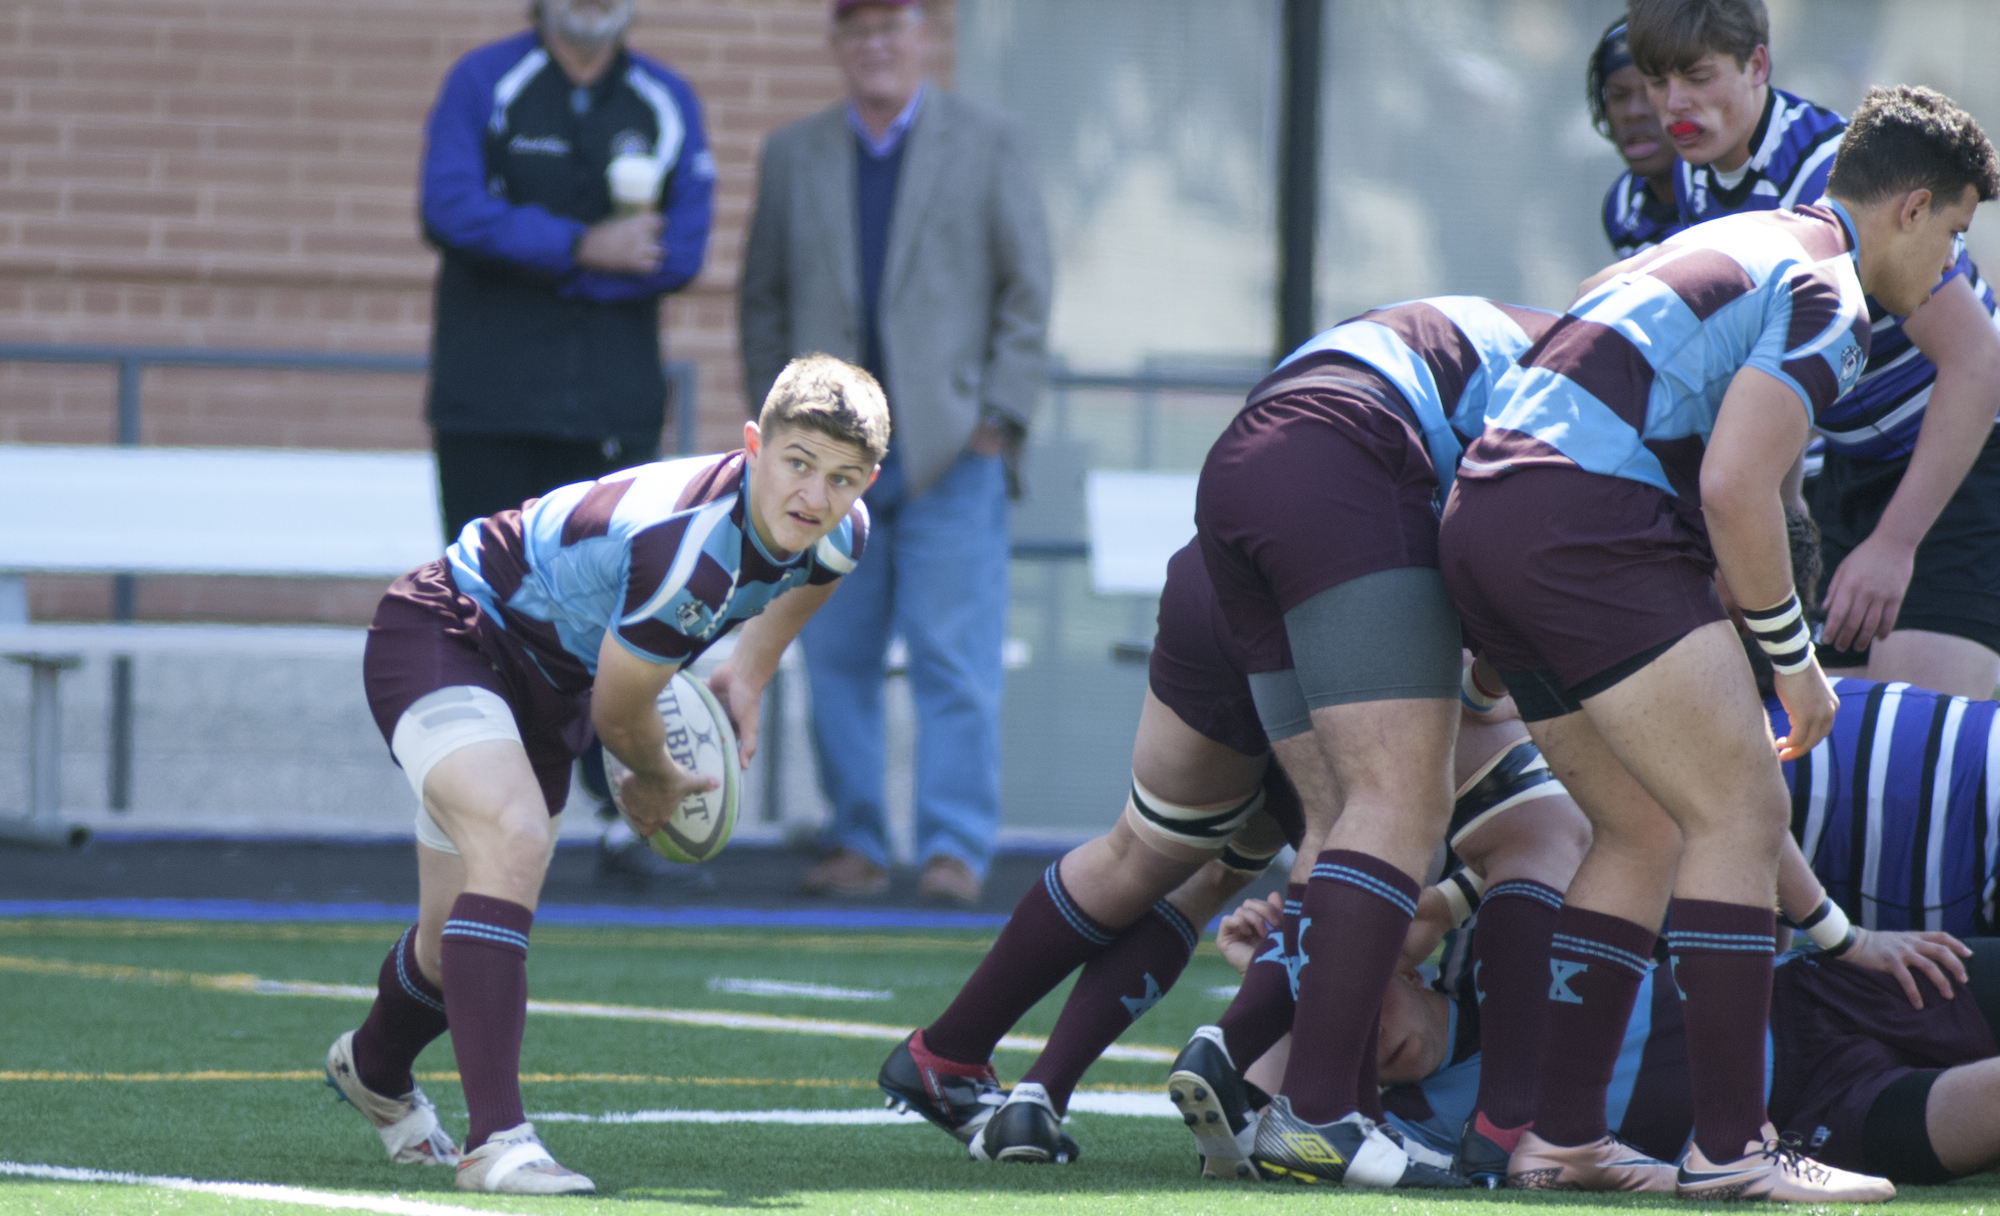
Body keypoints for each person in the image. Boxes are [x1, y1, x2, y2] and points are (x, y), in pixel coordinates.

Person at [1438, 83, 1997, 1200]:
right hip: (1582, 523)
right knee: (1741, 807)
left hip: (1487, 505)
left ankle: (1560, 1137)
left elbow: (1578, 324)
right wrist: (1794, 670)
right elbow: (1738, 485)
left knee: (1640, 826)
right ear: (1912, 207)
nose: (1948, 267)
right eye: (1952, 236)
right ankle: (1733, 1148)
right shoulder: (1831, 294)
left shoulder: (1726, 235)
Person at [321, 356, 885, 1194]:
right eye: (798, 464)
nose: (815, 496)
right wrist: (653, 784)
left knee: (449, 948)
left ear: (866, 479)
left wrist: (750, 668)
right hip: (451, 632)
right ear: (754, 445)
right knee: (513, 839)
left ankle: (372, 1068)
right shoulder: (685, 551)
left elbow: (820, 570)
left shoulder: (842, 524)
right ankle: (497, 1145)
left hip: (552, 683)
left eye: (842, 478)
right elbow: (622, 720)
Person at [738, 0, 1052, 906]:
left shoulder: (988, 140)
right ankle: (859, 843)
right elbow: (761, 299)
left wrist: (999, 415)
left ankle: (953, 849)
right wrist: (779, 429)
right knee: (834, 654)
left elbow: (1025, 292)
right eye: (857, 27)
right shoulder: (793, 153)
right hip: (825, 465)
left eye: (893, 24)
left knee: (954, 659)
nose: (876, 41)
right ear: (837, 43)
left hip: (954, 451)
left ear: (927, 34)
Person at [418, 0, 716, 883]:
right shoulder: (485, 83)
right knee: (486, 622)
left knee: (617, 626)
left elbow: (681, 251)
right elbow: (449, 210)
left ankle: (629, 817)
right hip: (487, 408)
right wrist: (583, 247)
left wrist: (533, 259)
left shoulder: (665, 100)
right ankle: (489, 821)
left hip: (612, 418)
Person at [1629, 0, 2000, 700]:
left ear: (1758, 65)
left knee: (1917, 742)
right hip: (1848, 468)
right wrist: (1791, 504)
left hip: (1962, 465)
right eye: (1657, 79)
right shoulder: (1696, 174)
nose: (1674, 103)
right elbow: (1774, 352)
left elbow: (1980, 362)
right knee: (1825, 734)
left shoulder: (1829, 171)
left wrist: (1896, 544)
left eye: (1697, 76)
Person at [1206, 895, 1993, 1189]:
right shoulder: (1403, 1125)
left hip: (1809, 990)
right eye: (1324, 1027)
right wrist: (1263, 985)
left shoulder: (1496, 938)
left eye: (1354, 1003)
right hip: (1814, 1117)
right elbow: (1276, 1120)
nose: (1355, 1043)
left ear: (1406, 968)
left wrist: (1845, 939)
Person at [1590, 20, 1681, 258]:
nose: (1634, 112)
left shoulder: (1729, 181)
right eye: (1619, 96)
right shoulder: (1622, 205)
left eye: (1654, 89)